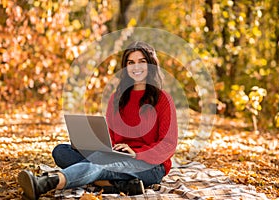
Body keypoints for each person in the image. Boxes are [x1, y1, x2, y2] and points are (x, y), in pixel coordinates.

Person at [18, 41, 178, 200]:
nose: (136, 67)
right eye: (131, 62)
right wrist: (94, 146)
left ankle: (45, 183)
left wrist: (136, 153)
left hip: (150, 165)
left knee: (99, 164)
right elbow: (110, 136)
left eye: (142, 62)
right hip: (116, 156)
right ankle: (118, 185)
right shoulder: (117, 99)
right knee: (61, 151)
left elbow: (168, 144)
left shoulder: (163, 99)